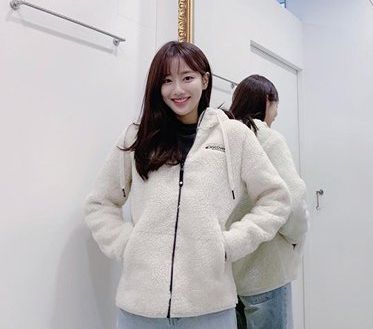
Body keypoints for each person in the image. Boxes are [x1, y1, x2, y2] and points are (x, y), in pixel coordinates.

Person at [84, 42, 292, 329]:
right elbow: (100, 203)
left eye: (187, 78)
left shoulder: (233, 135)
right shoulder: (138, 136)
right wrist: (128, 246)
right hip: (140, 310)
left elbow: (276, 198)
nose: (177, 89)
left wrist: (229, 244)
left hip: (210, 309)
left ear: (205, 80)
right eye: (167, 81)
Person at [230, 74, 309, 329]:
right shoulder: (268, 139)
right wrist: (296, 237)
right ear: (267, 100)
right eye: (276, 105)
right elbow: (292, 201)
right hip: (266, 271)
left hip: (229, 275)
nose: (276, 113)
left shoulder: (224, 139)